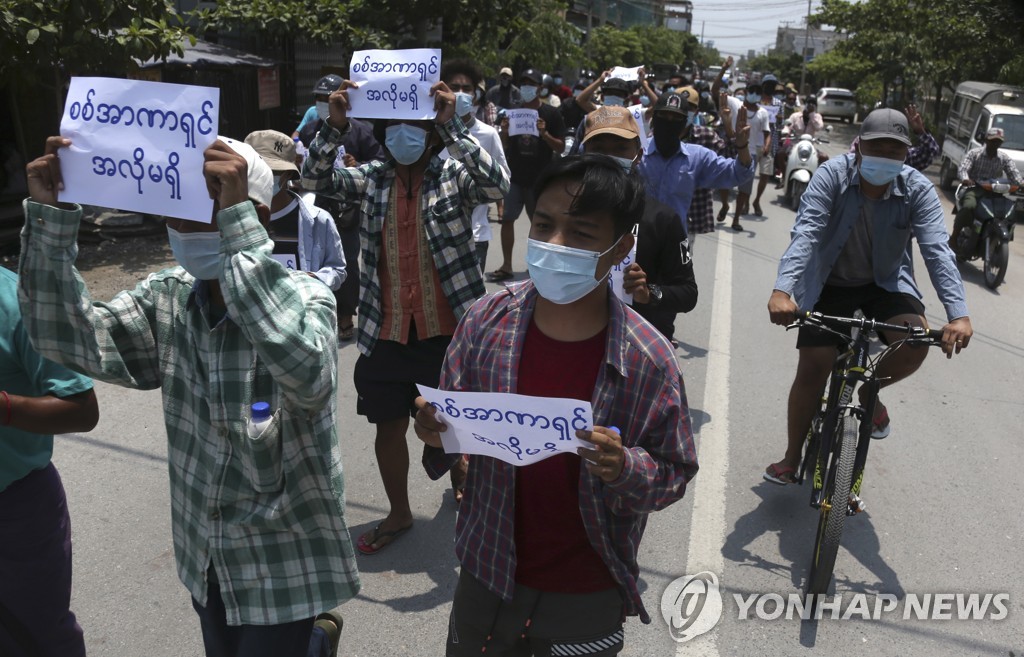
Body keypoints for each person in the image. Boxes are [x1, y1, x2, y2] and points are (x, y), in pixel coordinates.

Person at [20, 135, 360, 657]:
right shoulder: (169, 298)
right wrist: (50, 221)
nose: (180, 227)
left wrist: (238, 232)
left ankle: (309, 637)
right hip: (206, 556)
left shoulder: (308, 297)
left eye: (204, 206)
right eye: (173, 211)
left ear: (255, 216)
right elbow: (69, 338)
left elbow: (308, 374)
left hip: (283, 564)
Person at [412, 154, 698, 656]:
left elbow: (673, 472)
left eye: (582, 233)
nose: (555, 245)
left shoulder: (649, 358)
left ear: (621, 248)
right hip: (485, 570)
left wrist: (624, 466)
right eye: (543, 226)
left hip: (585, 593)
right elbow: (451, 428)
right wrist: (435, 431)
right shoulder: (485, 321)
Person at [301, 78, 509, 552]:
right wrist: (333, 128)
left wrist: (454, 123)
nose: (402, 134)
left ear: (430, 129)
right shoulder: (372, 177)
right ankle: (399, 513)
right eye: (393, 126)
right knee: (388, 424)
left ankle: (464, 477)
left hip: (450, 330)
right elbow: (313, 180)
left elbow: (498, 185)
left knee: (454, 424)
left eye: (412, 125)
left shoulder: (455, 173)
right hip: (386, 329)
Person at [763, 108, 974, 486]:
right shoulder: (831, 175)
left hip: (887, 284)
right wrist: (782, 291)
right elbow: (806, 234)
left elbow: (937, 251)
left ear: (906, 154)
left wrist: (958, 315)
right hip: (829, 283)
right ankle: (792, 456)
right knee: (814, 367)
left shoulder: (918, 189)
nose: (886, 157)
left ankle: (869, 393)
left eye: (896, 150)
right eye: (878, 148)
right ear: (859, 146)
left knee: (914, 345)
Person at [0, 268, 98, 657]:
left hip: (15, 510)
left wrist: (4, 406)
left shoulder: (17, 301)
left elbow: (80, 409)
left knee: (35, 637)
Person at [580, 106, 698, 342]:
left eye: (621, 148)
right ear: (584, 153)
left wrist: (648, 293)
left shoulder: (662, 219)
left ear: (638, 154)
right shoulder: (568, 211)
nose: (609, 157)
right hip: (578, 335)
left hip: (641, 345)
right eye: (599, 148)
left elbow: (687, 293)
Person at [299, 77, 387, 341]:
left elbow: (380, 161)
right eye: (320, 98)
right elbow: (306, 164)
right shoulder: (312, 130)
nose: (323, 103)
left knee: (346, 261)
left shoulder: (362, 131)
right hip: (316, 205)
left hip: (347, 208)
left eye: (329, 97)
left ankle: (346, 314)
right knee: (316, 261)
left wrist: (357, 163)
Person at [638, 90, 754, 237]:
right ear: (655, 117)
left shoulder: (697, 156)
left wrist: (742, 146)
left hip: (676, 240)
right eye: (664, 116)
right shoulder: (637, 152)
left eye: (676, 117)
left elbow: (738, 173)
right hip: (637, 239)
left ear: (685, 120)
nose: (669, 122)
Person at [488, 68, 566, 282]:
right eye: (523, 84)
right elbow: (505, 145)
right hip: (515, 177)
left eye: (531, 84)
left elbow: (560, 147)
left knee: (540, 224)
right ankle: (506, 265)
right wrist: (504, 132)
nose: (526, 88)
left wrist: (544, 134)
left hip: (539, 180)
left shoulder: (551, 114)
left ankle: (537, 267)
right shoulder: (513, 112)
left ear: (540, 88)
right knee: (507, 220)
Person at [245, 130, 347, 292]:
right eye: (256, 170)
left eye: (271, 171)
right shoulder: (234, 217)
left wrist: (314, 279)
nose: (262, 177)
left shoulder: (319, 219)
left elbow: (337, 269)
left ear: (287, 175)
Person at [440, 59, 510, 275]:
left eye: (467, 88)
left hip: (475, 235)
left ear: (476, 94)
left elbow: (503, 178)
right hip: (437, 235)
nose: (460, 93)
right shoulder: (430, 131)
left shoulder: (488, 134)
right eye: (454, 87)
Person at [951, 126, 1024, 248]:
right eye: (993, 140)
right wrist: (965, 179)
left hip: (994, 192)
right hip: (974, 189)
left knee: (1009, 211)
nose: (996, 144)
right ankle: (954, 237)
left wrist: (1021, 184)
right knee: (969, 206)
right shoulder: (975, 154)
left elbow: (1014, 174)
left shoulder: (1003, 158)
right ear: (986, 140)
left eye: (998, 141)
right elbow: (963, 168)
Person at [848, 104, 939, 172]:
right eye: (876, 150)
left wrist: (920, 131)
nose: (884, 159)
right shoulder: (844, 172)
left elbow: (930, 152)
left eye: (892, 152)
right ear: (858, 149)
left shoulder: (905, 160)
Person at [732, 83, 771, 230]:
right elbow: (715, 91)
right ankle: (724, 206)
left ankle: (736, 219)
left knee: (744, 188)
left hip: (751, 153)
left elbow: (767, 133)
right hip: (734, 148)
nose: (754, 94)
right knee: (725, 183)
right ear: (746, 92)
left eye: (758, 92)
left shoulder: (763, 113)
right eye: (752, 91)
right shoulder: (736, 105)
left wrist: (766, 146)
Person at [293, 74, 342, 140]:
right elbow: (296, 135)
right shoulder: (311, 117)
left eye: (327, 99)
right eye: (319, 98)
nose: (322, 103)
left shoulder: (355, 129)